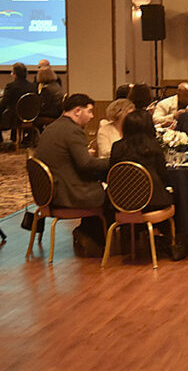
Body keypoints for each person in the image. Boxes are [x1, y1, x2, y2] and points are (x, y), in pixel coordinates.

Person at [34, 93, 110, 248]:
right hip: (68, 193)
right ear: (77, 111)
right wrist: (115, 160)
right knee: (113, 196)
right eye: (89, 111)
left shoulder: (52, 127)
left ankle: (88, 233)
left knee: (100, 185)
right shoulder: (73, 131)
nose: (92, 116)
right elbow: (86, 164)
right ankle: (97, 238)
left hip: (50, 192)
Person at [109, 110, 174, 215]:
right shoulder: (153, 147)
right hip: (152, 201)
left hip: (121, 201)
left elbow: (113, 173)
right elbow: (163, 175)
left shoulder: (117, 147)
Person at [1, 62, 34, 141]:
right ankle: (15, 139)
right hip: (30, 117)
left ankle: (1, 142)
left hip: (13, 119)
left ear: (15, 74)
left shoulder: (11, 86)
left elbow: (4, 104)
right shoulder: (32, 86)